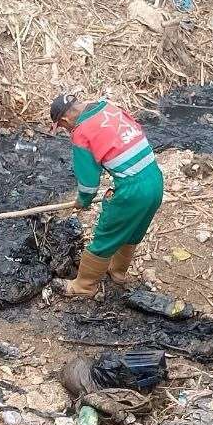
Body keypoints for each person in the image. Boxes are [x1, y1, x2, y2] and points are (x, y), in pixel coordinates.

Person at [49, 94, 164, 297]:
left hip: (132, 190)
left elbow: (88, 182)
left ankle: (84, 286)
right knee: (133, 229)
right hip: (154, 178)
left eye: (64, 128)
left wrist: (82, 201)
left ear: (65, 120)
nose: (67, 131)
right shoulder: (108, 108)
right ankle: (118, 272)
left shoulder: (81, 132)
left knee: (106, 235)